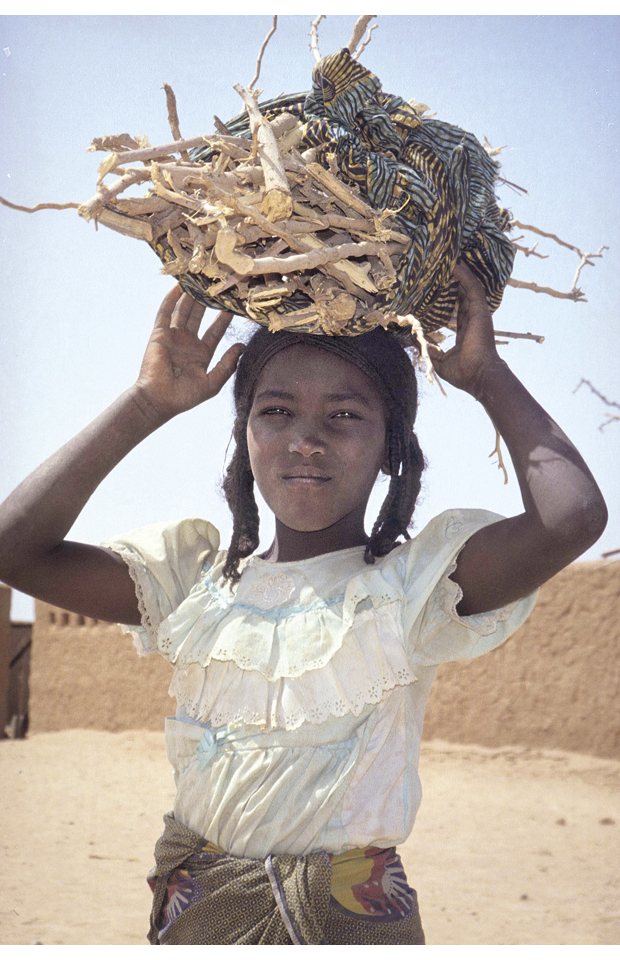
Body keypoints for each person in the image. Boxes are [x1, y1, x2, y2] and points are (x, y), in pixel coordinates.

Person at [0, 262, 607, 945]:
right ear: (245, 434)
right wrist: (145, 403)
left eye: (344, 415)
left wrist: (486, 376)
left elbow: (572, 517)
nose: (305, 440)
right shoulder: (195, 583)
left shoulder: (410, 590)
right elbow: (14, 549)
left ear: (391, 448)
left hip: (350, 931)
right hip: (202, 920)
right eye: (276, 411)